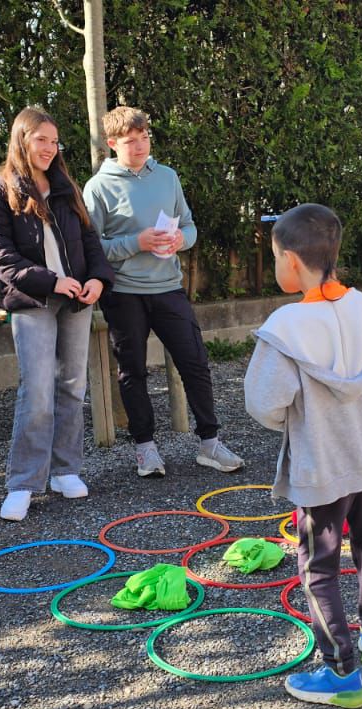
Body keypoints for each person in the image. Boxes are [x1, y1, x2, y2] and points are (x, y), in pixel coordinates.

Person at [244, 203, 362, 709]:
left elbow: (264, 403)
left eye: (276, 257)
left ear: (291, 261)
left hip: (322, 466)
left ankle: (341, 672)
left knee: (318, 566)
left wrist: (304, 420)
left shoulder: (286, 327)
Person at [82, 106, 243, 477]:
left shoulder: (168, 177)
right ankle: (145, 449)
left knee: (195, 363)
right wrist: (135, 243)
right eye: (130, 141)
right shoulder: (98, 188)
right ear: (112, 144)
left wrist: (180, 240)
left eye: (144, 138)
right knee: (133, 371)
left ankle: (210, 444)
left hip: (168, 287)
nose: (140, 146)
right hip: (124, 293)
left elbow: (190, 227)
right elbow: (91, 247)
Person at [0, 107, 114, 522]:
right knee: (37, 391)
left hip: (77, 302)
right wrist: (50, 281)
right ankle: (23, 483)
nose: (50, 148)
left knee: (72, 387)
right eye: (42, 140)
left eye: (54, 142)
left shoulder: (65, 187)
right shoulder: (0, 191)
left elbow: (90, 241)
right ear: (22, 139)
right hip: (33, 302)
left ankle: (65, 470)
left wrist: (98, 280)